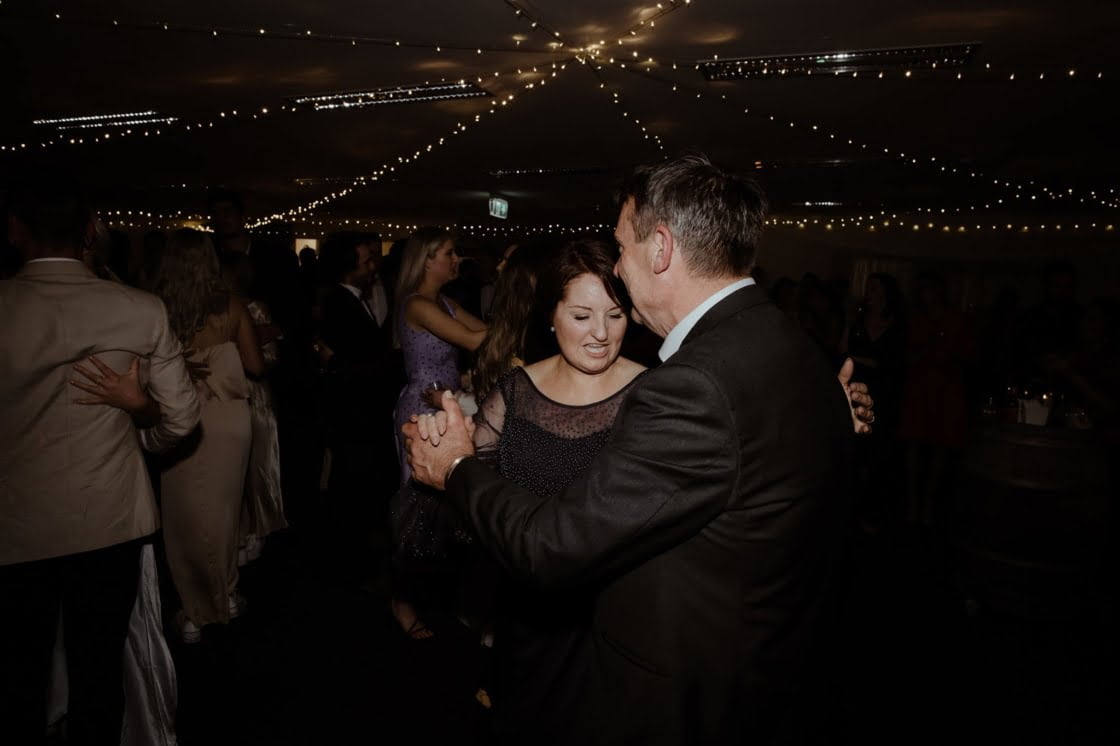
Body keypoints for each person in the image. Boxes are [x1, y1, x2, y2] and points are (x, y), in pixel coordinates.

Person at [406, 153, 857, 745]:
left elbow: (551, 545)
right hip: (770, 672)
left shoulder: (694, 384)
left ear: (660, 248)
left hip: (692, 691)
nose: (618, 265)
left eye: (622, 247)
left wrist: (455, 466)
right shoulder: (788, 344)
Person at [1, 183, 200, 744]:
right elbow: (183, 418)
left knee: (18, 670)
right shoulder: (137, 307)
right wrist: (146, 424)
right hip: (107, 520)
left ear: (15, 230)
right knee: (98, 667)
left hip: (14, 524)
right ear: (90, 232)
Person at [149, 228, 266, 642]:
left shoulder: (155, 309)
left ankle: (194, 609)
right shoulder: (232, 306)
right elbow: (255, 367)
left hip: (178, 417)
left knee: (181, 515)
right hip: (228, 420)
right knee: (225, 511)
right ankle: (226, 593)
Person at [390, 227, 488, 638]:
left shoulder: (445, 302)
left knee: (447, 509)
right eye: (449, 252)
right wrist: (518, 315)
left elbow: (483, 334)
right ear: (428, 259)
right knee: (417, 508)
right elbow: (475, 339)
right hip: (422, 410)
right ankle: (402, 599)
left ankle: (441, 594)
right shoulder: (417, 304)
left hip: (447, 406)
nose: (456, 259)